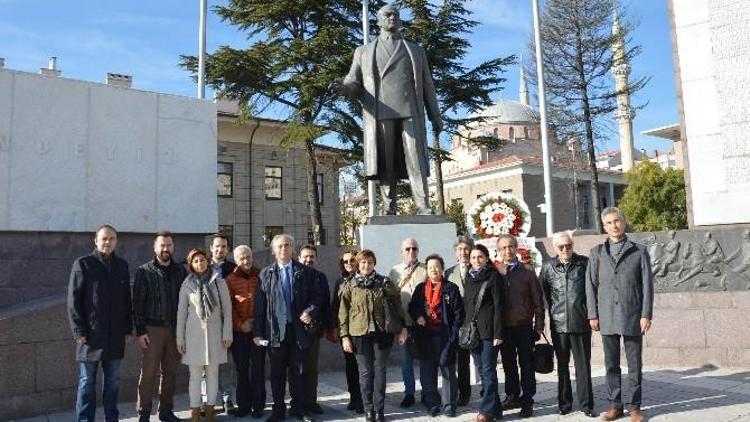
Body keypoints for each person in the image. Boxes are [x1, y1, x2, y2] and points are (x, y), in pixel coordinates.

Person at [332, 3, 442, 215]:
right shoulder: (363, 52)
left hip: (410, 111)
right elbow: (353, 82)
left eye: (396, 15)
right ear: (379, 20)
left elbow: (428, 86)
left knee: (416, 160)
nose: (392, 18)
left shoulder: (416, 51)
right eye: (387, 15)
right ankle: (388, 205)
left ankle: (423, 204)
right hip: (380, 111)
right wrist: (344, 89)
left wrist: (435, 115)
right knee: (386, 162)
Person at [586, 207, 654, 422]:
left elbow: (647, 285)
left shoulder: (639, 250)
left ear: (623, 222)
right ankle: (614, 405)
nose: (613, 226)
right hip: (606, 315)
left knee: (634, 363)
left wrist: (646, 314)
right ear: (604, 227)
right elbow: (589, 286)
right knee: (611, 364)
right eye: (609, 223)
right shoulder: (596, 252)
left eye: (617, 221)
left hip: (633, 314)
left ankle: (634, 407)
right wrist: (592, 314)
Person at [68, 224, 133, 422]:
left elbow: (126, 300)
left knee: (112, 381)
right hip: (90, 335)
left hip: (115, 335)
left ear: (116, 242)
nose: (108, 242)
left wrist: (128, 328)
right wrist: (78, 329)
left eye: (112, 239)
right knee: (87, 381)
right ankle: (84, 419)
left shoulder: (122, 266)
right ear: (96, 241)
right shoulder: (83, 264)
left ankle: (111, 418)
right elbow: (73, 299)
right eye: (104, 238)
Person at [253, 234, 321, 422]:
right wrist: (258, 332)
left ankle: (298, 408)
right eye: (280, 246)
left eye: (287, 245)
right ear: (274, 251)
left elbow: (316, 298)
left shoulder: (305, 272)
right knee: (277, 374)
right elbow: (260, 307)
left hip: (297, 331)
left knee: (298, 372)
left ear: (293, 249)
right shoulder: (265, 274)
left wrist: (310, 311)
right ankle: (278, 410)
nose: (284, 249)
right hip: (275, 332)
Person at [338, 250, 409, 422]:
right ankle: (368, 409)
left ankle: (380, 409)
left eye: (369, 262)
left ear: (374, 264)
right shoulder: (350, 285)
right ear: (358, 264)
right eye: (363, 262)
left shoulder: (384, 282)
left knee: (380, 371)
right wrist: (345, 336)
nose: (366, 265)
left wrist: (403, 328)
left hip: (382, 333)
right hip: (359, 334)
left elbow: (397, 306)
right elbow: (343, 312)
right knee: (365, 372)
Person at [133, 231, 187, 422]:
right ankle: (144, 413)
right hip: (152, 330)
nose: (166, 249)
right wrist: (140, 331)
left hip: (175, 329)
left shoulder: (181, 271)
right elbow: (137, 303)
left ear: (173, 247)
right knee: (148, 372)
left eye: (169, 245)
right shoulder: (144, 271)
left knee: (170, 372)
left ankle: (165, 411)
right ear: (155, 247)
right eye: (162, 245)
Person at [539, 231, 595, 418]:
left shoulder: (584, 263)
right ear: (555, 248)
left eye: (568, 245)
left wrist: (592, 315)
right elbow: (544, 294)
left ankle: (587, 404)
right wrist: (553, 315)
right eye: (561, 246)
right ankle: (564, 403)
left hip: (581, 323)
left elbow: (593, 291)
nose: (565, 249)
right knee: (562, 366)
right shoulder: (548, 267)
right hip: (559, 324)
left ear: (572, 245)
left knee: (583, 366)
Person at [176, 248, 233, 422]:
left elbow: (227, 310)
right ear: (191, 264)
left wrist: (227, 334)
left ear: (208, 261)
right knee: (195, 377)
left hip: (215, 335)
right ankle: (195, 412)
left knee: (212, 375)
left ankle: (209, 411)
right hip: (193, 336)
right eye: (195, 261)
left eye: (202, 260)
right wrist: (180, 338)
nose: (199, 263)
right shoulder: (187, 283)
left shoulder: (219, 281)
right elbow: (181, 313)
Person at [408, 254, 464, 417]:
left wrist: (453, 336)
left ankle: (449, 404)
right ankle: (432, 402)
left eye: (437, 266)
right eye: (430, 267)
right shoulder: (420, 289)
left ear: (442, 268)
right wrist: (418, 316)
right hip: (425, 337)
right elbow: (412, 307)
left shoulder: (450, 288)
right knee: (427, 372)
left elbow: (458, 314)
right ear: (426, 269)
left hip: (445, 336)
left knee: (447, 370)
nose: (433, 269)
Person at [495, 234, 544, 418]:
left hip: (524, 327)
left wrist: (538, 327)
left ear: (516, 248)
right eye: (503, 248)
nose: (507, 251)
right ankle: (513, 395)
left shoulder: (527, 271)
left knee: (526, 365)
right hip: (504, 328)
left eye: (510, 247)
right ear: (499, 251)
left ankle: (527, 400)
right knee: (508, 365)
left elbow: (538, 302)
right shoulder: (496, 272)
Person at [463, 244, 504, 422]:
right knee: (481, 369)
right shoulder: (469, 277)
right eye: (473, 257)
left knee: (488, 370)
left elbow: (499, 307)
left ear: (486, 258)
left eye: (480, 257)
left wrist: (498, 333)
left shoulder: (494, 277)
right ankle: (496, 410)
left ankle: (486, 411)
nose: (476, 260)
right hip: (473, 333)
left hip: (489, 332)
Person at [225, 245, 265, 419]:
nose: (246, 260)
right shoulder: (230, 280)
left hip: (259, 330)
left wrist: (256, 324)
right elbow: (228, 308)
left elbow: (266, 302)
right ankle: (244, 405)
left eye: (248, 257)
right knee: (241, 370)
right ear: (236, 260)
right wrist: (241, 325)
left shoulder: (262, 276)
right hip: (239, 332)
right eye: (242, 258)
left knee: (258, 369)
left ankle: (258, 406)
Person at [388, 237, 427, 408]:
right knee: (406, 361)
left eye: (414, 248)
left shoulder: (426, 269)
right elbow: (390, 299)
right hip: (403, 324)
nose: (411, 252)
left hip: (423, 323)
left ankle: (427, 392)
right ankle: (409, 393)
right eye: (408, 249)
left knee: (426, 360)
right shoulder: (394, 272)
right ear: (402, 251)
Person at [298, 244, 331, 415]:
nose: (308, 259)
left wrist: (326, 326)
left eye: (312, 257)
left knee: (311, 368)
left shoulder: (321, 277)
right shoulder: (293, 274)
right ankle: (298, 403)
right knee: (297, 368)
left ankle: (311, 401)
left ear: (316, 259)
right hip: (295, 331)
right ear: (299, 258)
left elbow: (325, 302)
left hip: (314, 330)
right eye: (305, 256)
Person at [329, 249, 364, 414]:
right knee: (350, 366)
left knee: (362, 366)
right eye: (345, 261)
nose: (349, 264)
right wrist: (335, 328)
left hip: (362, 329)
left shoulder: (363, 278)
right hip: (346, 330)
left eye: (352, 260)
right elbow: (335, 306)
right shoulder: (339, 282)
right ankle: (354, 397)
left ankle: (363, 399)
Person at [444, 236, 475, 405]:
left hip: (475, 321)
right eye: (460, 249)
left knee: (475, 359)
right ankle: (460, 392)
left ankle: (478, 390)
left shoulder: (478, 268)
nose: (463, 252)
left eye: (466, 249)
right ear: (456, 252)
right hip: (457, 323)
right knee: (459, 360)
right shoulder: (449, 272)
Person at [209, 234, 238, 415]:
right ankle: (207, 401)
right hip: (206, 324)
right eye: (217, 246)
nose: (220, 250)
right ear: (211, 247)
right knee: (206, 364)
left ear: (228, 249)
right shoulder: (200, 266)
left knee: (226, 363)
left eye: (224, 246)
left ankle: (227, 399)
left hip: (227, 322)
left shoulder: (233, 269)